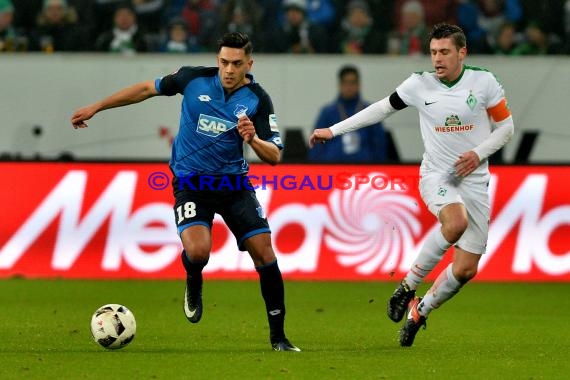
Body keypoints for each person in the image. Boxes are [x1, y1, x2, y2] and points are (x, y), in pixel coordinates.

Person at [70, 32, 300, 352]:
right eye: (223, 62)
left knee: (264, 251)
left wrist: (253, 141)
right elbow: (146, 88)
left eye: (236, 63)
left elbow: (274, 156)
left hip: (233, 185)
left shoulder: (258, 99)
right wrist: (98, 106)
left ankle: (279, 338)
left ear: (249, 63)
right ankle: (194, 279)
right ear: (217, 60)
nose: (229, 70)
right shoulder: (193, 79)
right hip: (191, 182)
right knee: (198, 252)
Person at [309, 23, 514, 347]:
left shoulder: (484, 82)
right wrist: (333, 131)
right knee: (455, 222)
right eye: (433, 52)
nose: (437, 59)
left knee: (465, 270)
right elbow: (380, 109)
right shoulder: (419, 85)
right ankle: (407, 286)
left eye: (445, 52)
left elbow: (505, 128)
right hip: (438, 176)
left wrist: (478, 153)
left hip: (474, 179)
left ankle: (421, 310)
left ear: (462, 52)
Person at [308, 65, 387, 163]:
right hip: (332, 168)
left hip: (364, 169)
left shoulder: (370, 110)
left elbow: (379, 143)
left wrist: (377, 167)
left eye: (353, 83)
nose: (349, 87)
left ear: (359, 84)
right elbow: (317, 145)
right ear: (339, 85)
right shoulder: (327, 112)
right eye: (346, 83)